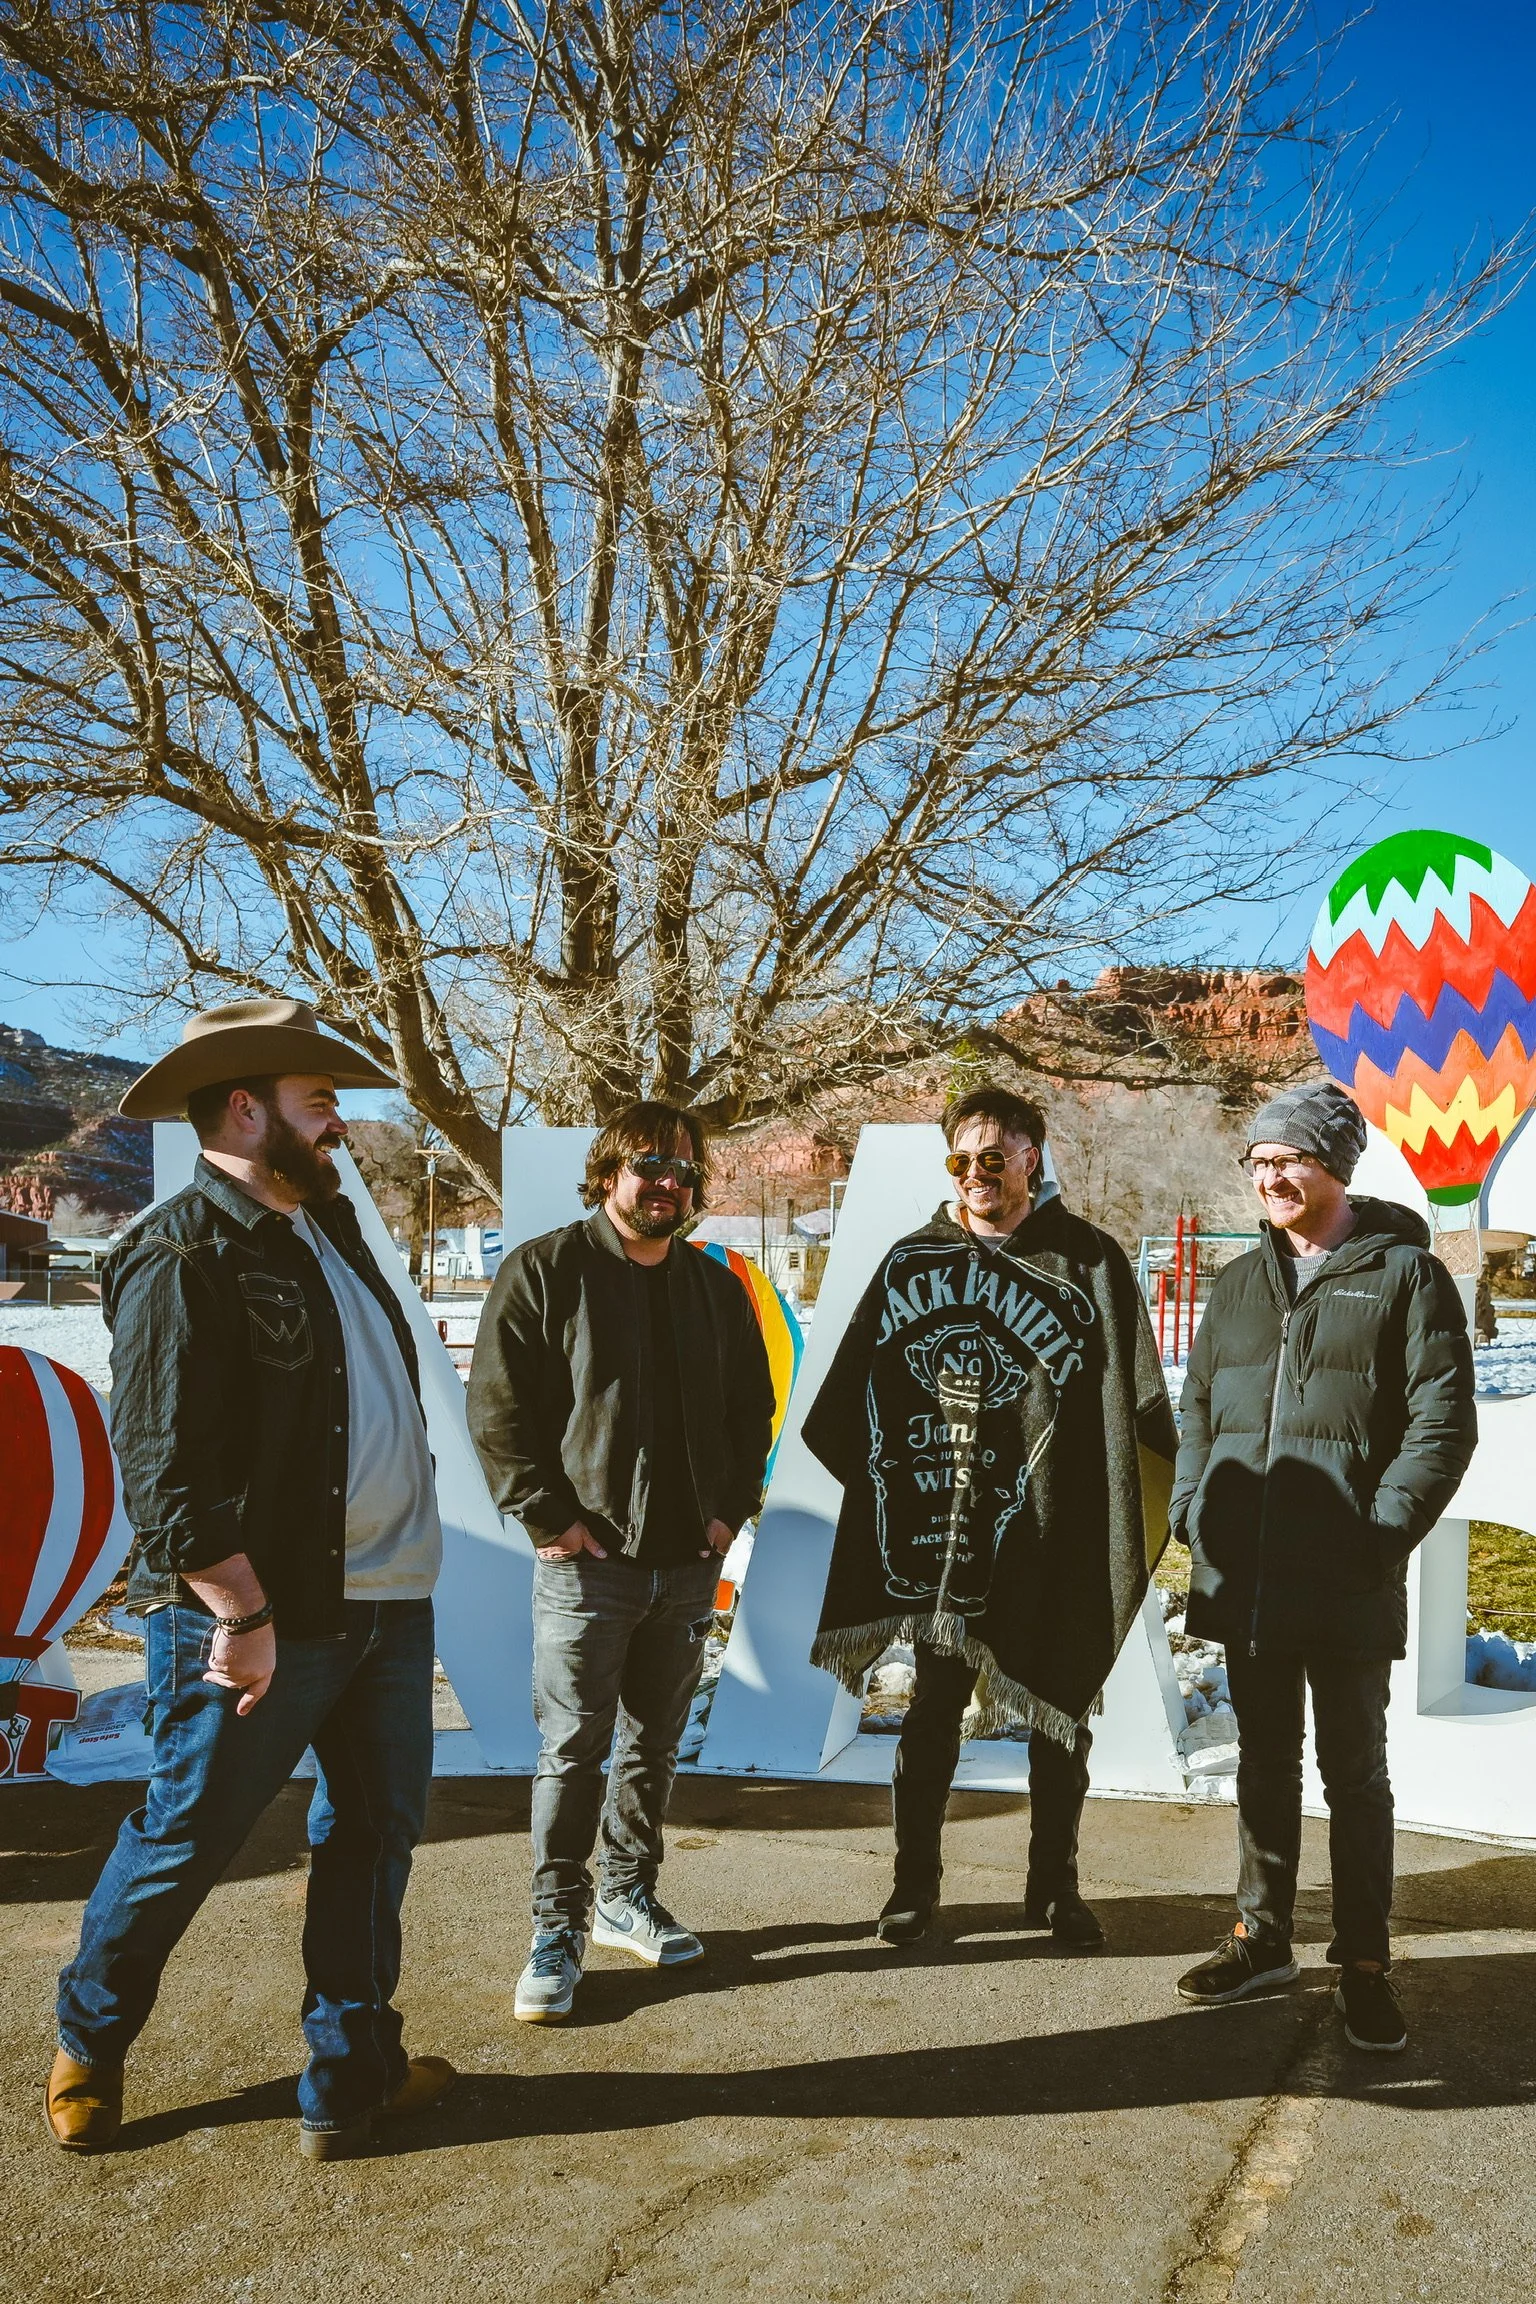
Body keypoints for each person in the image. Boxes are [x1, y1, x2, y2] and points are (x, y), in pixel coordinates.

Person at [48, 999, 454, 2159]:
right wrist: (243, 1611)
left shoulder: (327, 1228)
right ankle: (89, 2043)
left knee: (374, 1839)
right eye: (316, 1100)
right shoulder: (181, 1252)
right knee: (187, 1836)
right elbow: (166, 1473)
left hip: (386, 1604)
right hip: (267, 1624)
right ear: (244, 1106)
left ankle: (349, 2079)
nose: (337, 1123)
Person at [802, 1086, 1179, 1949]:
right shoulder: (913, 1259)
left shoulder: (1088, 1260)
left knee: (1057, 1710)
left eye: (993, 1158)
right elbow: (851, 1401)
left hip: (1052, 1529)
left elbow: (1139, 1408)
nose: (976, 1175)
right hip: (943, 1532)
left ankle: (1055, 1890)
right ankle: (913, 1890)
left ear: (1031, 1157)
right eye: (960, 1160)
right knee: (932, 1711)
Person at [1170, 1080, 1476, 2051]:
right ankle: (1261, 1937)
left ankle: (1366, 1963)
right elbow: (1200, 1413)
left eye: (1287, 1160)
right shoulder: (1235, 1286)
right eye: (1258, 1163)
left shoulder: (1406, 1278)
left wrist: (1377, 1536)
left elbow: (1442, 1425)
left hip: (1344, 1580)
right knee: (1263, 1767)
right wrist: (1192, 1509)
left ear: (1334, 1166)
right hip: (1247, 1578)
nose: (1269, 1177)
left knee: (1355, 1776)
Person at [468, 1103, 775, 2022]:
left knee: (652, 1745)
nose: (668, 1184)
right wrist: (553, 1525)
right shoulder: (545, 1270)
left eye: (685, 1172)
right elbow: (498, 1411)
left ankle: (624, 1898)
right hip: (586, 1565)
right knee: (572, 1750)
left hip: (686, 1562)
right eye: (650, 1166)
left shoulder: (715, 1288)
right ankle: (554, 1929)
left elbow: (748, 1416)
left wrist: (725, 1519)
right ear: (608, 1173)